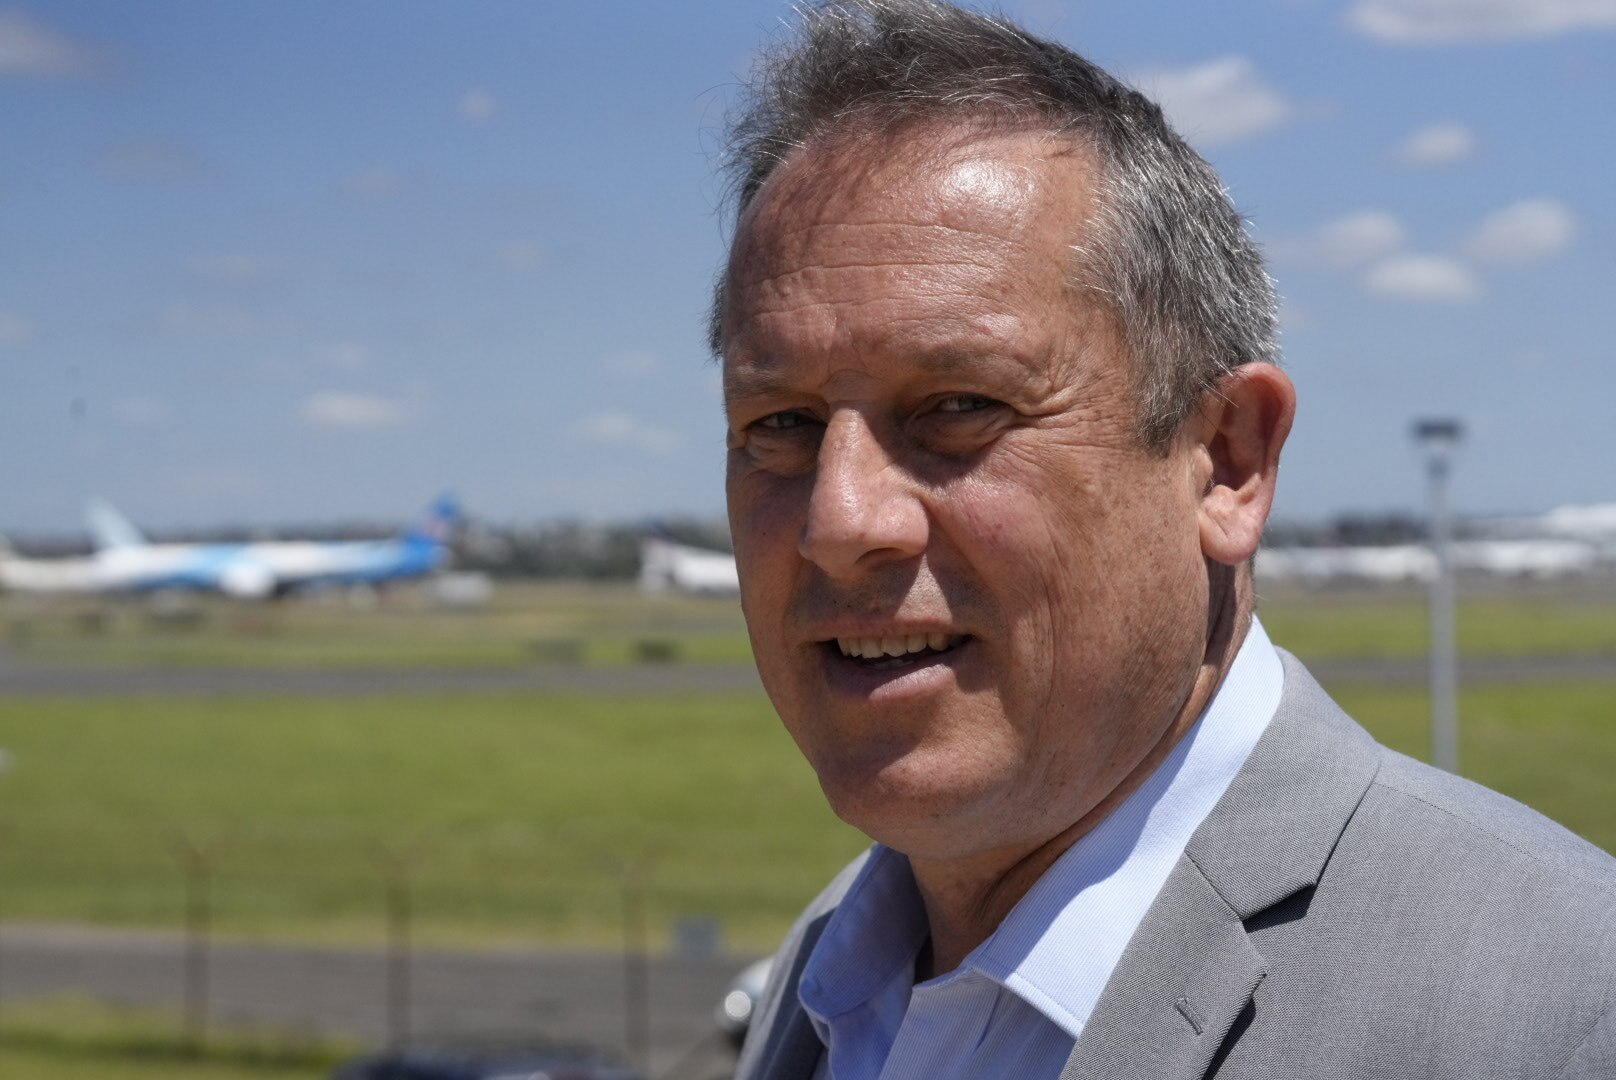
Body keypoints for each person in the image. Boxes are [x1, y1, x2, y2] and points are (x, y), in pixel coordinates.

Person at [709, 2, 1616, 1077]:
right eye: (780, 426)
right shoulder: (830, 975)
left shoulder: (1555, 1007)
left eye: (955, 407)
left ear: (1225, 461)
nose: (839, 521)